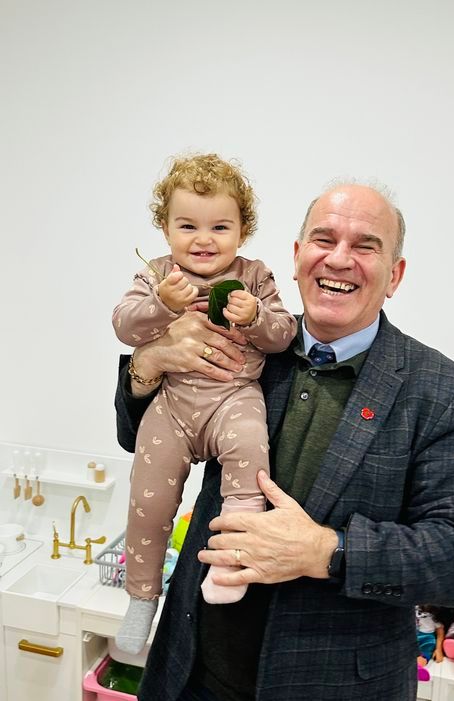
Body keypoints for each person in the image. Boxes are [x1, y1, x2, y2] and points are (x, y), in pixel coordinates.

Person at [114, 182, 454, 700]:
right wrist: (148, 361)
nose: (339, 259)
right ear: (296, 258)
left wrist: (326, 550)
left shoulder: (444, 392)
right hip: (191, 673)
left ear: (395, 275)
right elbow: (138, 435)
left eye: (365, 246)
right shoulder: (247, 339)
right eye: (324, 239)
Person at [112, 153, 296, 655]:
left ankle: (228, 564)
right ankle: (141, 597)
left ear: (242, 231)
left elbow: (283, 335)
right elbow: (124, 325)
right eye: (188, 225)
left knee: (251, 455)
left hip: (233, 398)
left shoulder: (255, 276)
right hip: (171, 404)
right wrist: (162, 306)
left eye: (220, 226)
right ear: (166, 228)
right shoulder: (157, 275)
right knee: (148, 503)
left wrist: (255, 316)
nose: (203, 239)